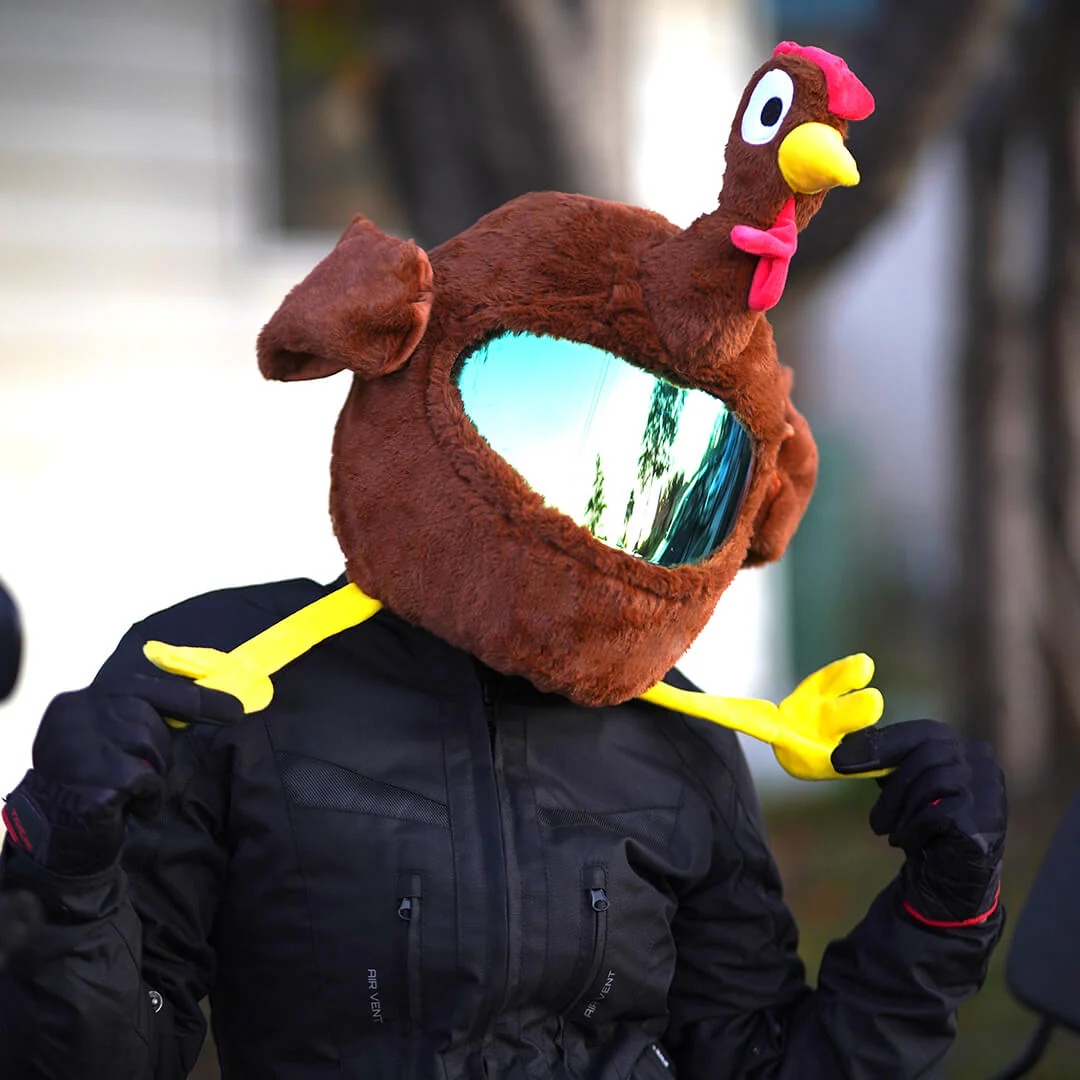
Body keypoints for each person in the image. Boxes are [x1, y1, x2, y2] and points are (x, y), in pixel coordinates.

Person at [0, 43, 1005, 1079]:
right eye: (549, 417)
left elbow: (749, 1063)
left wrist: (939, 919)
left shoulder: (677, 742)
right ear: (411, 362)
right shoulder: (229, 685)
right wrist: (65, 878)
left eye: (667, 471)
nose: (593, 516)